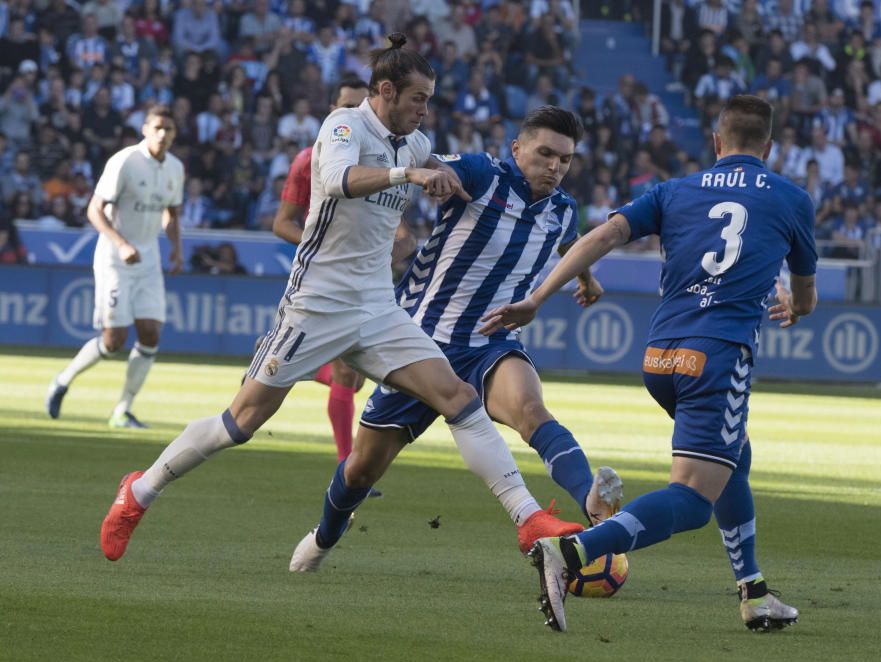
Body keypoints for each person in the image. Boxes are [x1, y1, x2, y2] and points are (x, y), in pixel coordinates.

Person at [98, 34, 583, 564]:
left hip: (377, 308)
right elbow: (337, 181)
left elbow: (436, 180)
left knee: (459, 399)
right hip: (316, 304)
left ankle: (527, 517)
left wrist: (424, 207)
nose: (426, 109)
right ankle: (139, 492)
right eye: (418, 98)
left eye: (430, 99)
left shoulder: (417, 144)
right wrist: (410, 174)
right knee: (240, 424)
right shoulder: (345, 124)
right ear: (386, 90)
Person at [482, 95, 818, 633]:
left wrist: (539, 297)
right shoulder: (791, 199)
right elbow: (804, 295)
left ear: (716, 143)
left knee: (735, 457)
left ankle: (753, 592)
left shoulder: (674, 190)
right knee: (691, 500)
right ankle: (570, 553)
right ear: (770, 147)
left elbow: (604, 235)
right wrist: (795, 306)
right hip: (717, 358)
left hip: (661, 358)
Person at [288, 105, 623, 572]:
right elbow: (439, 166)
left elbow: (571, 242)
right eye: (545, 154)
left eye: (564, 160)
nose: (554, 167)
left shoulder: (561, 211)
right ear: (517, 149)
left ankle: (593, 507)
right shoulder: (484, 175)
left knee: (531, 410)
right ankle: (324, 537)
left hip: (490, 343)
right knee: (362, 468)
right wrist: (434, 175)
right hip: (418, 345)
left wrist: (585, 278)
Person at [271, 77, 403, 482]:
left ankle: (305, 365)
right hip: (321, 279)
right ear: (331, 112)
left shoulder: (380, 157)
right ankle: (346, 466)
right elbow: (282, 224)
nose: (351, 113)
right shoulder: (308, 160)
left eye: (357, 105)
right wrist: (322, 242)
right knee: (348, 376)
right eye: (343, 106)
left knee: (354, 380)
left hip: (365, 281)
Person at [45, 104, 184, 428]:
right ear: (145, 130)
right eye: (158, 127)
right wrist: (121, 244)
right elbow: (94, 210)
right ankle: (63, 380)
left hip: (148, 255)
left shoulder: (175, 168)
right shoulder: (125, 162)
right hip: (114, 255)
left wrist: (176, 249)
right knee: (114, 340)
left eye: (169, 129)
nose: (163, 134)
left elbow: (172, 213)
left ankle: (123, 409)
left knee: (151, 333)